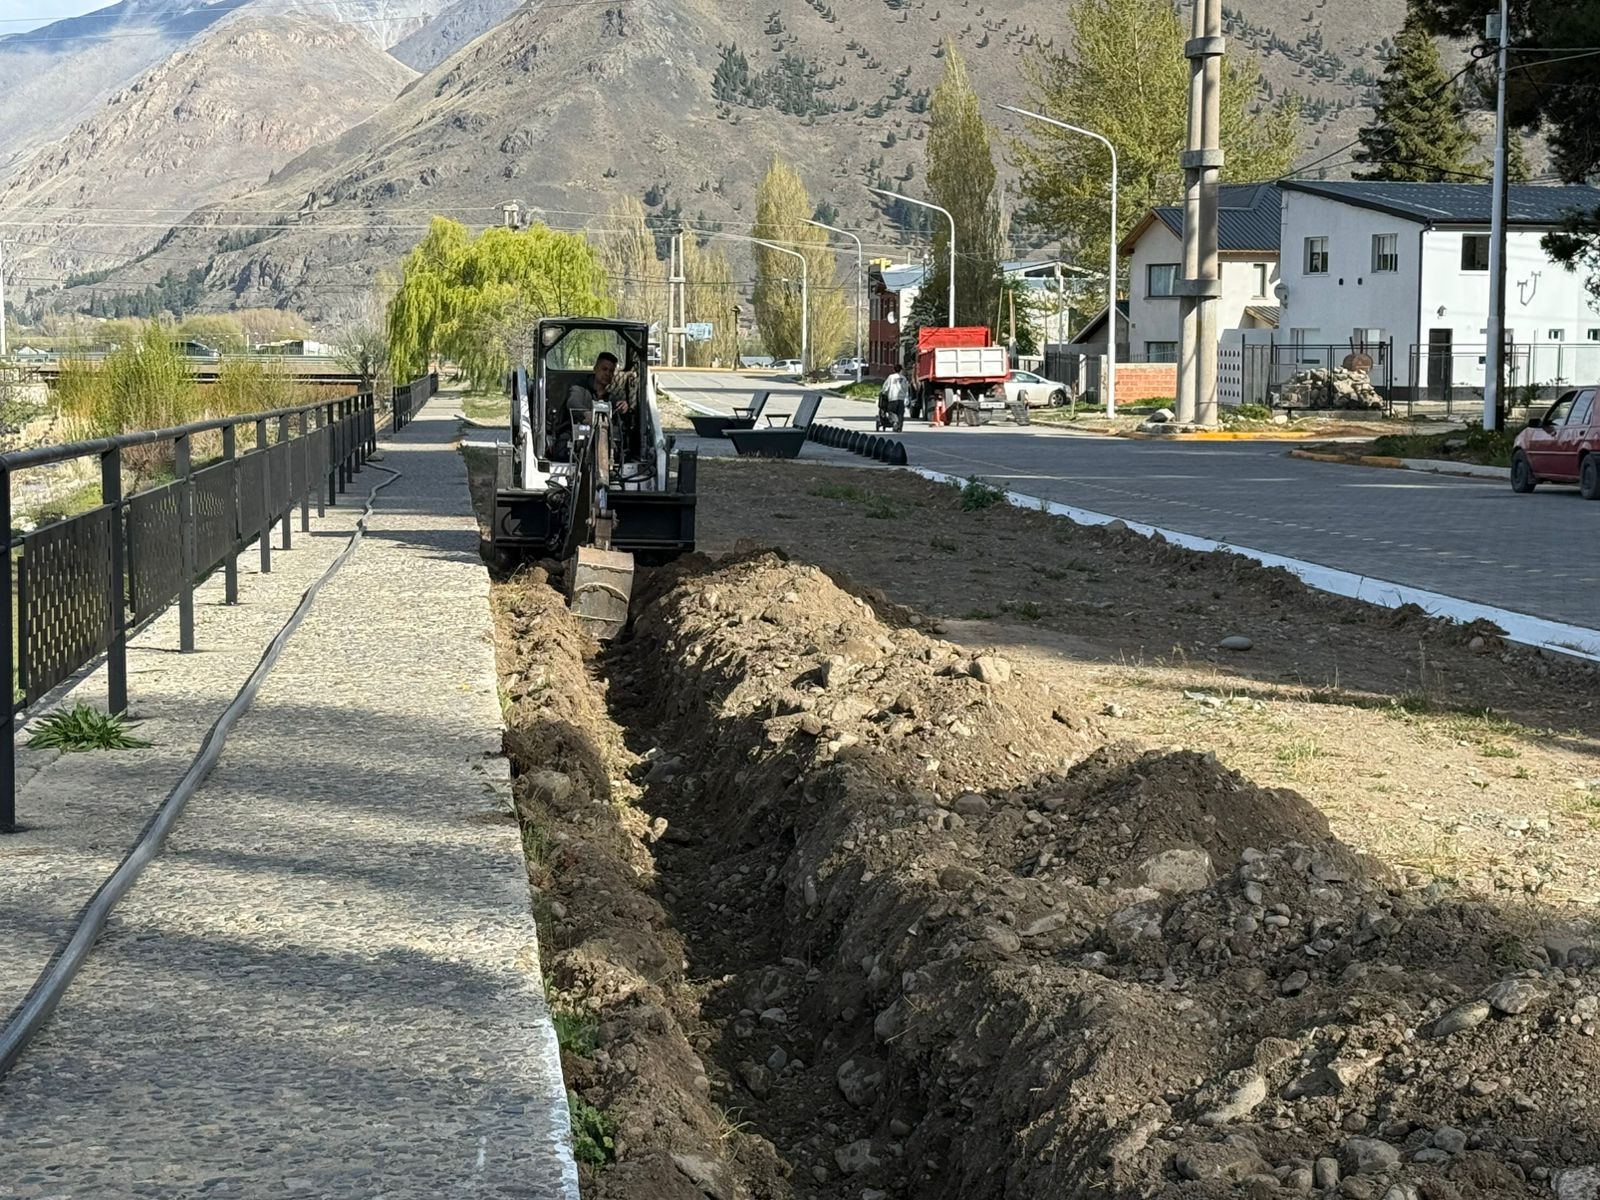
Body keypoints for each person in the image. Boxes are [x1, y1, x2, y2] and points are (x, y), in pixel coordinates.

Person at [878, 365, 908, 432]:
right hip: (901, 399)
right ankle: (899, 427)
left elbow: (886, 387)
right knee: (900, 413)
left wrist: (883, 392)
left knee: (891, 411)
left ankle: (895, 422)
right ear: (901, 370)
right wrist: (906, 397)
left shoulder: (891, 377)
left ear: (894, 370)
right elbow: (906, 389)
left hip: (893, 398)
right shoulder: (904, 378)